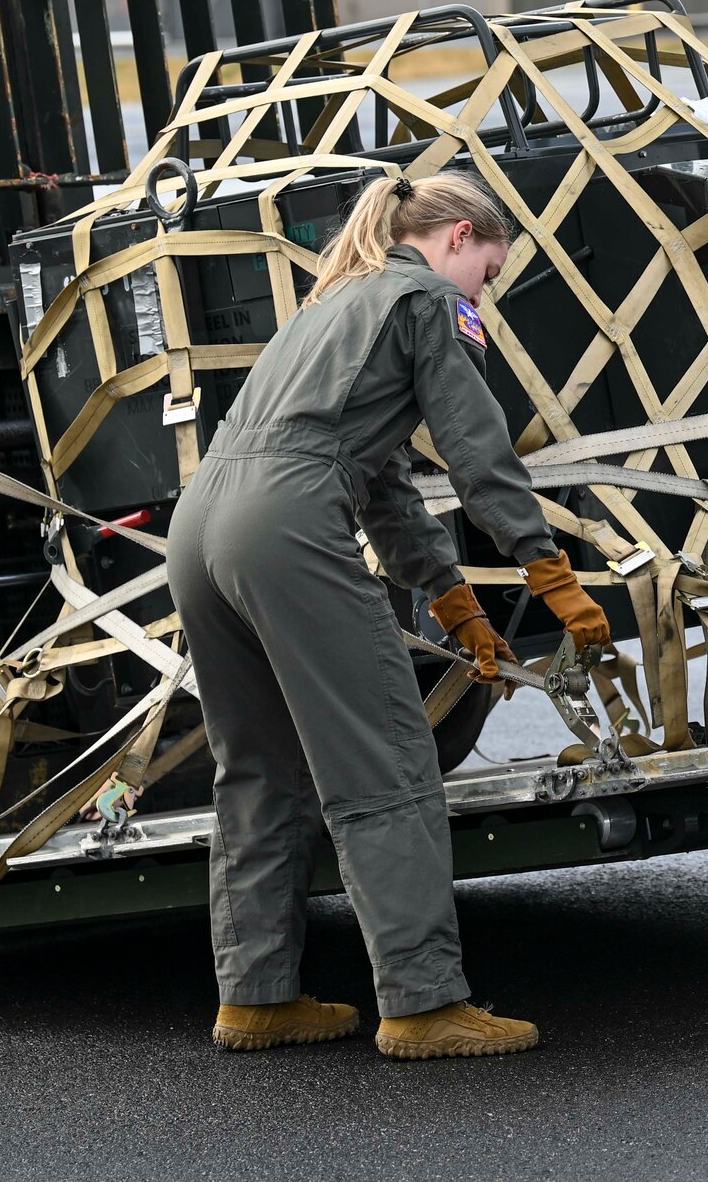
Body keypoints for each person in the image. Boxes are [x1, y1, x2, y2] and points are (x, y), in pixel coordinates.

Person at [167, 172, 612, 1058]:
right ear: (456, 238)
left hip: (200, 527)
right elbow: (480, 455)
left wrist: (452, 600)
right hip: (284, 528)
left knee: (256, 766)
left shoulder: (328, 306)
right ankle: (422, 1002)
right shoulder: (426, 302)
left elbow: (383, 487)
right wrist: (549, 572)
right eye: (489, 271)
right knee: (388, 758)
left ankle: (255, 996)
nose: (484, 289)